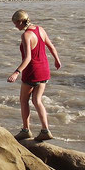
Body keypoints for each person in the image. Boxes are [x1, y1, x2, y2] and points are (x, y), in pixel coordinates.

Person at [6, 9, 62, 141]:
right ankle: (45, 130)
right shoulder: (40, 29)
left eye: (15, 23)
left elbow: (28, 58)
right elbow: (51, 46)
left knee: (24, 100)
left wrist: (16, 73)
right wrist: (57, 60)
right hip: (44, 69)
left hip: (32, 71)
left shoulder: (26, 36)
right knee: (37, 101)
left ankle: (26, 130)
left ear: (20, 21)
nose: (15, 26)